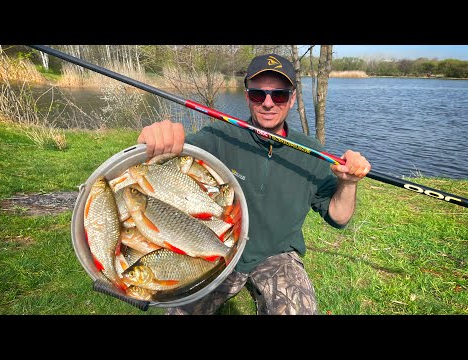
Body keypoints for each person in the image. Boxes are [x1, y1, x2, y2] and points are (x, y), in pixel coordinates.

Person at [137, 53, 371, 315]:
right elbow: (172, 153)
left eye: (279, 95)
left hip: (277, 255)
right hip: (217, 248)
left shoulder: (312, 153)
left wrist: (349, 183)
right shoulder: (220, 136)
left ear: (292, 99)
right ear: (247, 96)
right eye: (258, 94)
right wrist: (159, 138)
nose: (268, 103)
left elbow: (339, 217)